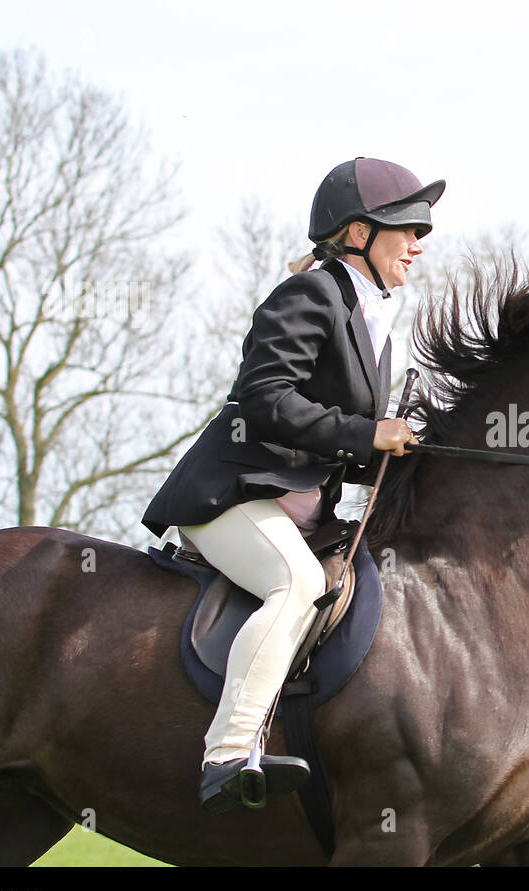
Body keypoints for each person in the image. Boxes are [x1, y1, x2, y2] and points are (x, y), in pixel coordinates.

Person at [142, 157, 444, 813]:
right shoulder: (311, 295)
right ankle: (227, 752)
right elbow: (263, 400)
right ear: (358, 232)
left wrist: (414, 450)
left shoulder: (367, 319)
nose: (419, 244)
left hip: (296, 506)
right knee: (298, 584)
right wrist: (370, 435)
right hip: (232, 496)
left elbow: (337, 435)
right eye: (407, 229)